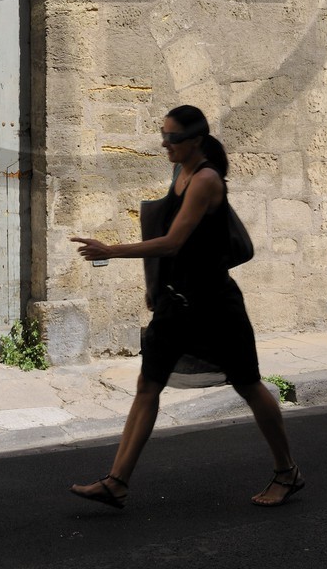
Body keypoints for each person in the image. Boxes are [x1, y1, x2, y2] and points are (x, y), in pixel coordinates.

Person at [70, 105, 303, 510]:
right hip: (176, 304)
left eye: (173, 137)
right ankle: (116, 482)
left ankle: (288, 472)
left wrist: (110, 250)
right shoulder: (180, 172)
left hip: (215, 306)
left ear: (196, 139)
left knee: (248, 384)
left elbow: (173, 241)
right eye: (163, 134)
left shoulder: (206, 180)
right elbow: (166, 233)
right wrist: (155, 286)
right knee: (147, 387)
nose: (165, 143)